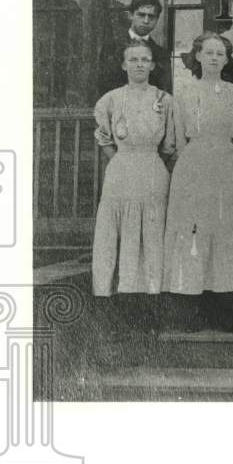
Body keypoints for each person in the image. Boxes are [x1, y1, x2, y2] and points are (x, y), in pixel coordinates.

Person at [162, 33, 233, 331]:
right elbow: (180, 137)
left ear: (226, 59)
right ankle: (192, 306)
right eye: (208, 52)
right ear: (197, 56)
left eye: (220, 53)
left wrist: (231, 165)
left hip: (226, 164)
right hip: (194, 165)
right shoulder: (183, 93)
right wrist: (192, 168)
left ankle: (224, 307)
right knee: (194, 231)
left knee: (224, 229)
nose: (214, 58)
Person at [91, 41, 176, 331]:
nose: (140, 64)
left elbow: (170, 144)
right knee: (118, 233)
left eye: (146, 59)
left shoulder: (164, 99)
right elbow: (104, 138)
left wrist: (149, 161)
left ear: (153, 65)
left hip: (152, 170)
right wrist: (122, 160)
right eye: (134, 59)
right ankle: (117, 312)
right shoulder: (110, 100)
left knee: (150, 236)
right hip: (121, 170)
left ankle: (150, 311)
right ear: (124, 65)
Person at [98, 0, 172, 95]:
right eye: (141, 15)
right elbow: (103, 86)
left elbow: (165, 93)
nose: (146, 21)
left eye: (151, 17)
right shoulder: (112, 47)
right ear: (131, 15)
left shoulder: (162, 55)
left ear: (157, 20)